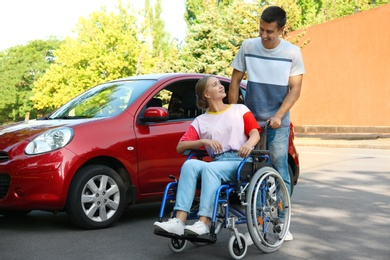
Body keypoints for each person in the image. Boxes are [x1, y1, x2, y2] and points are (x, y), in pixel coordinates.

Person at [229, 6, 305, 241]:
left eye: (270, 31)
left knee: (280, 167)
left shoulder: (292, 53)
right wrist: (235, 113)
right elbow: (234, 81)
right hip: (252, 121)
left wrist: (279, 115)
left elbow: (295, 90)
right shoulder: (248, 47)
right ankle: (258, 225)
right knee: (256, 172)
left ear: (281, 30)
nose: (264, 35)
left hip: (277, 121)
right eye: (261, 29)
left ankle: (282, 220)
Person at [154, 75, 261, 236]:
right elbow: (180, 147)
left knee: (210, 169)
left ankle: (204, 222)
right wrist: (203, 141)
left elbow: (255, 133)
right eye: (215, 84)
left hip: (240, 161)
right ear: (207, 94)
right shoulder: (201, 120)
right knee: (190, 164)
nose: (220, 86)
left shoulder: (239, 109)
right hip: (217, 162)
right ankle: (179, 220)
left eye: (219, 84)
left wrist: (248, 144)